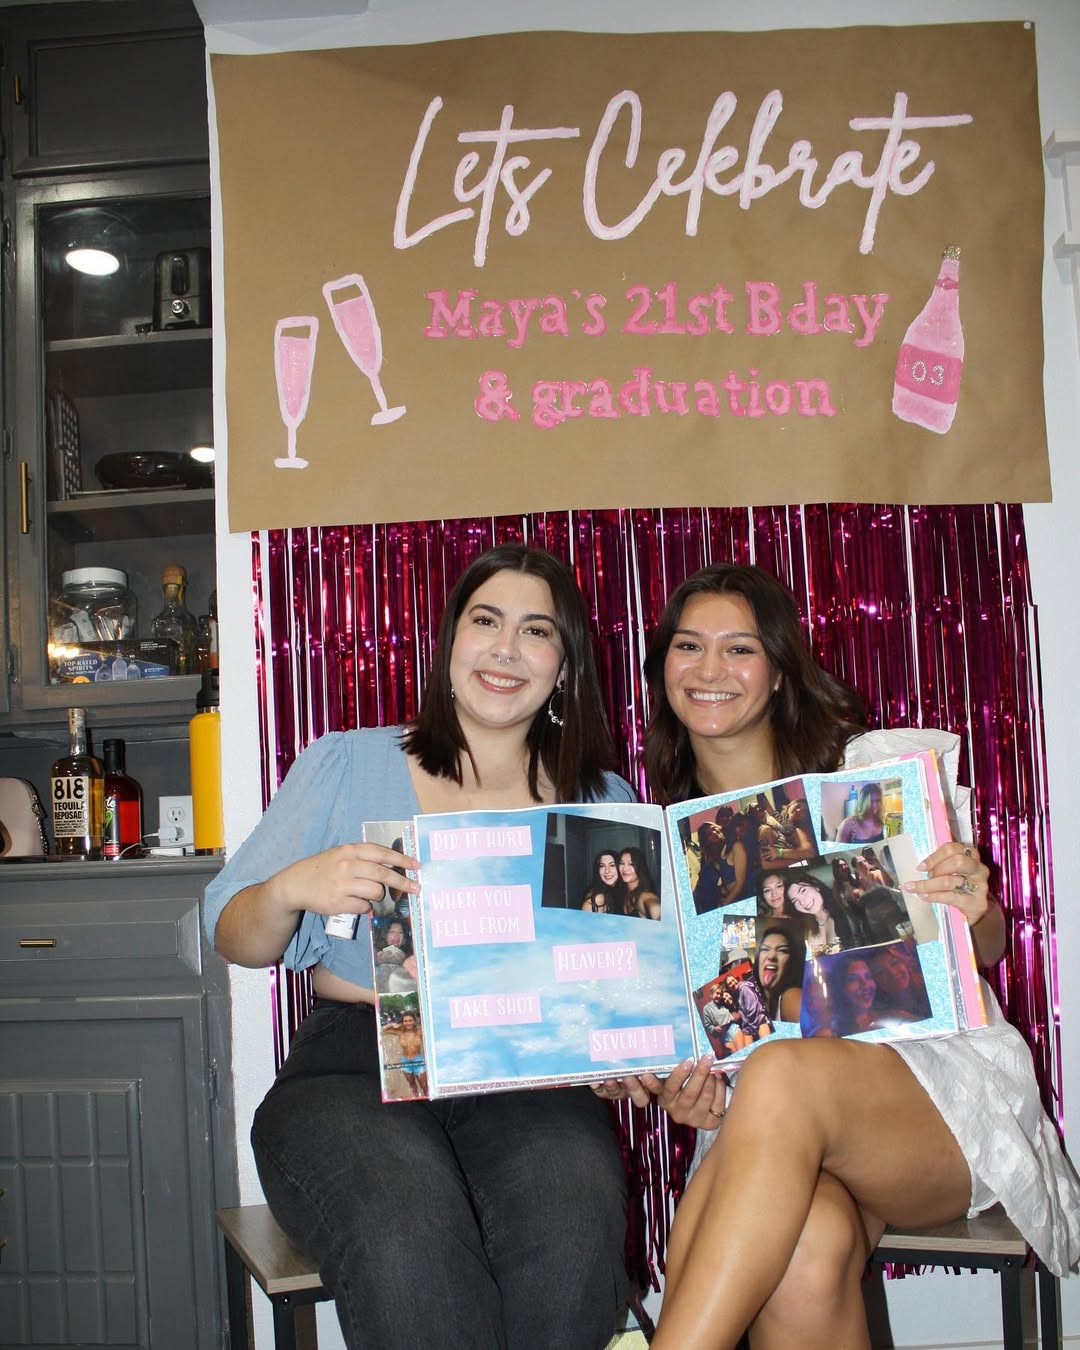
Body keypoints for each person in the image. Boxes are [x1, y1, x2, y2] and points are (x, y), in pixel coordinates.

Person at [621, 561, 1080, 1349]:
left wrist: (973, 903)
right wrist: (687, 1094)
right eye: (688, 646)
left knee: (781, 1071)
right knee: (807, 1251)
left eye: (740, 648)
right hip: (765, 1130)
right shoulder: (659, 853)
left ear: (778, 669)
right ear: (662, 666)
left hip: (926, 1099)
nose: (710, 669)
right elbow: (705, 1047)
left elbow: (986, 948)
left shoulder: (862, 777)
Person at [203, 544, 635, 1350]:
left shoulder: (601, 802)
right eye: (486, 620)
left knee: (574, 1227)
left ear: (565, 665)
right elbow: (232, 936)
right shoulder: (349, 763)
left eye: (537, 630)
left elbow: (619, 989)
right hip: (357, 1063)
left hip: (529, 1075)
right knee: (406, 1226)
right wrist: (294, 885)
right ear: (450, 641)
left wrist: (618, 1045)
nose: (506, 649)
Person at [783, 872, 851, 955]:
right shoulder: (802, 929)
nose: (803, 902)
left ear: (816, 886)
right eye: (795, 901)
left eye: (803, 891)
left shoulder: (845, 912)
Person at [754, 919, 805, 1022]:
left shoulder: (791, 996)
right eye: (765, 949)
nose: (771, 956)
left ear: (791, 962)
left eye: (782, 950)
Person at [618, 846, 662, 919]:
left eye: (631, 864)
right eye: (622, 863)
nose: (625, 869)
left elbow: (654, 907)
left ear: (640, 867)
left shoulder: (645, 896)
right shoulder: (622, 892)